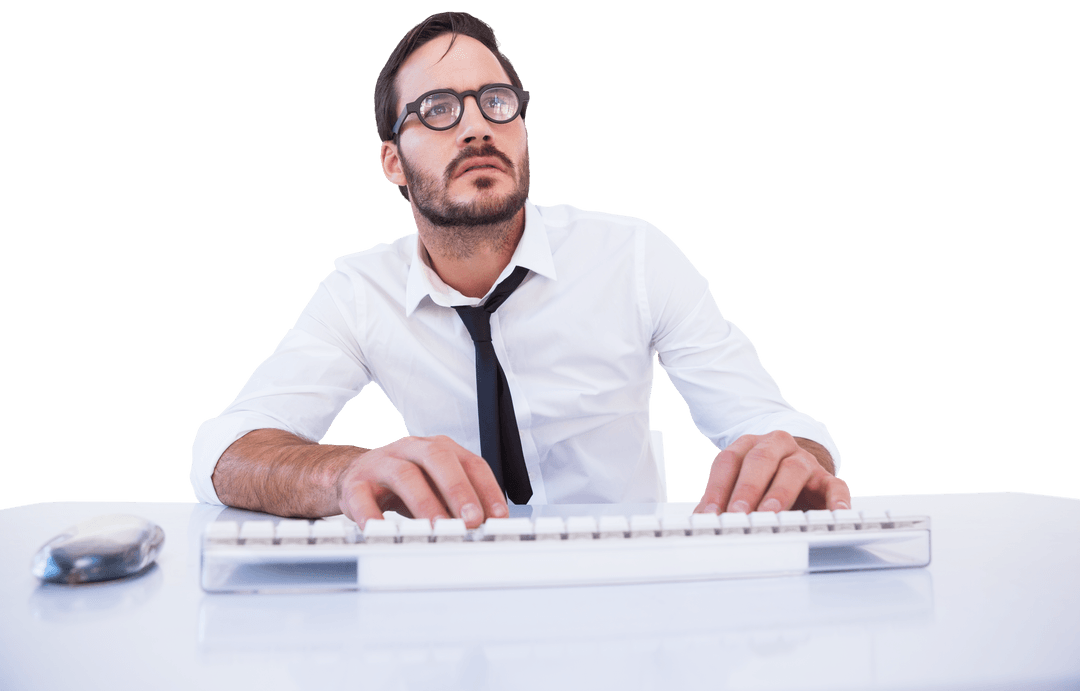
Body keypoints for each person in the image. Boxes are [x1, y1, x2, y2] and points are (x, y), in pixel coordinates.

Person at [189, 11, 851, 528]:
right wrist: (343, 475)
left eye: (496, 102)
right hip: (449, 602)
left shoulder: (634, 256)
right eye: (439, 110)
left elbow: (773, 423)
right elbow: (225, 452)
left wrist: (797, 456)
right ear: (392, 161)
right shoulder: (362, 294)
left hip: (624, 592)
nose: (477, 127)